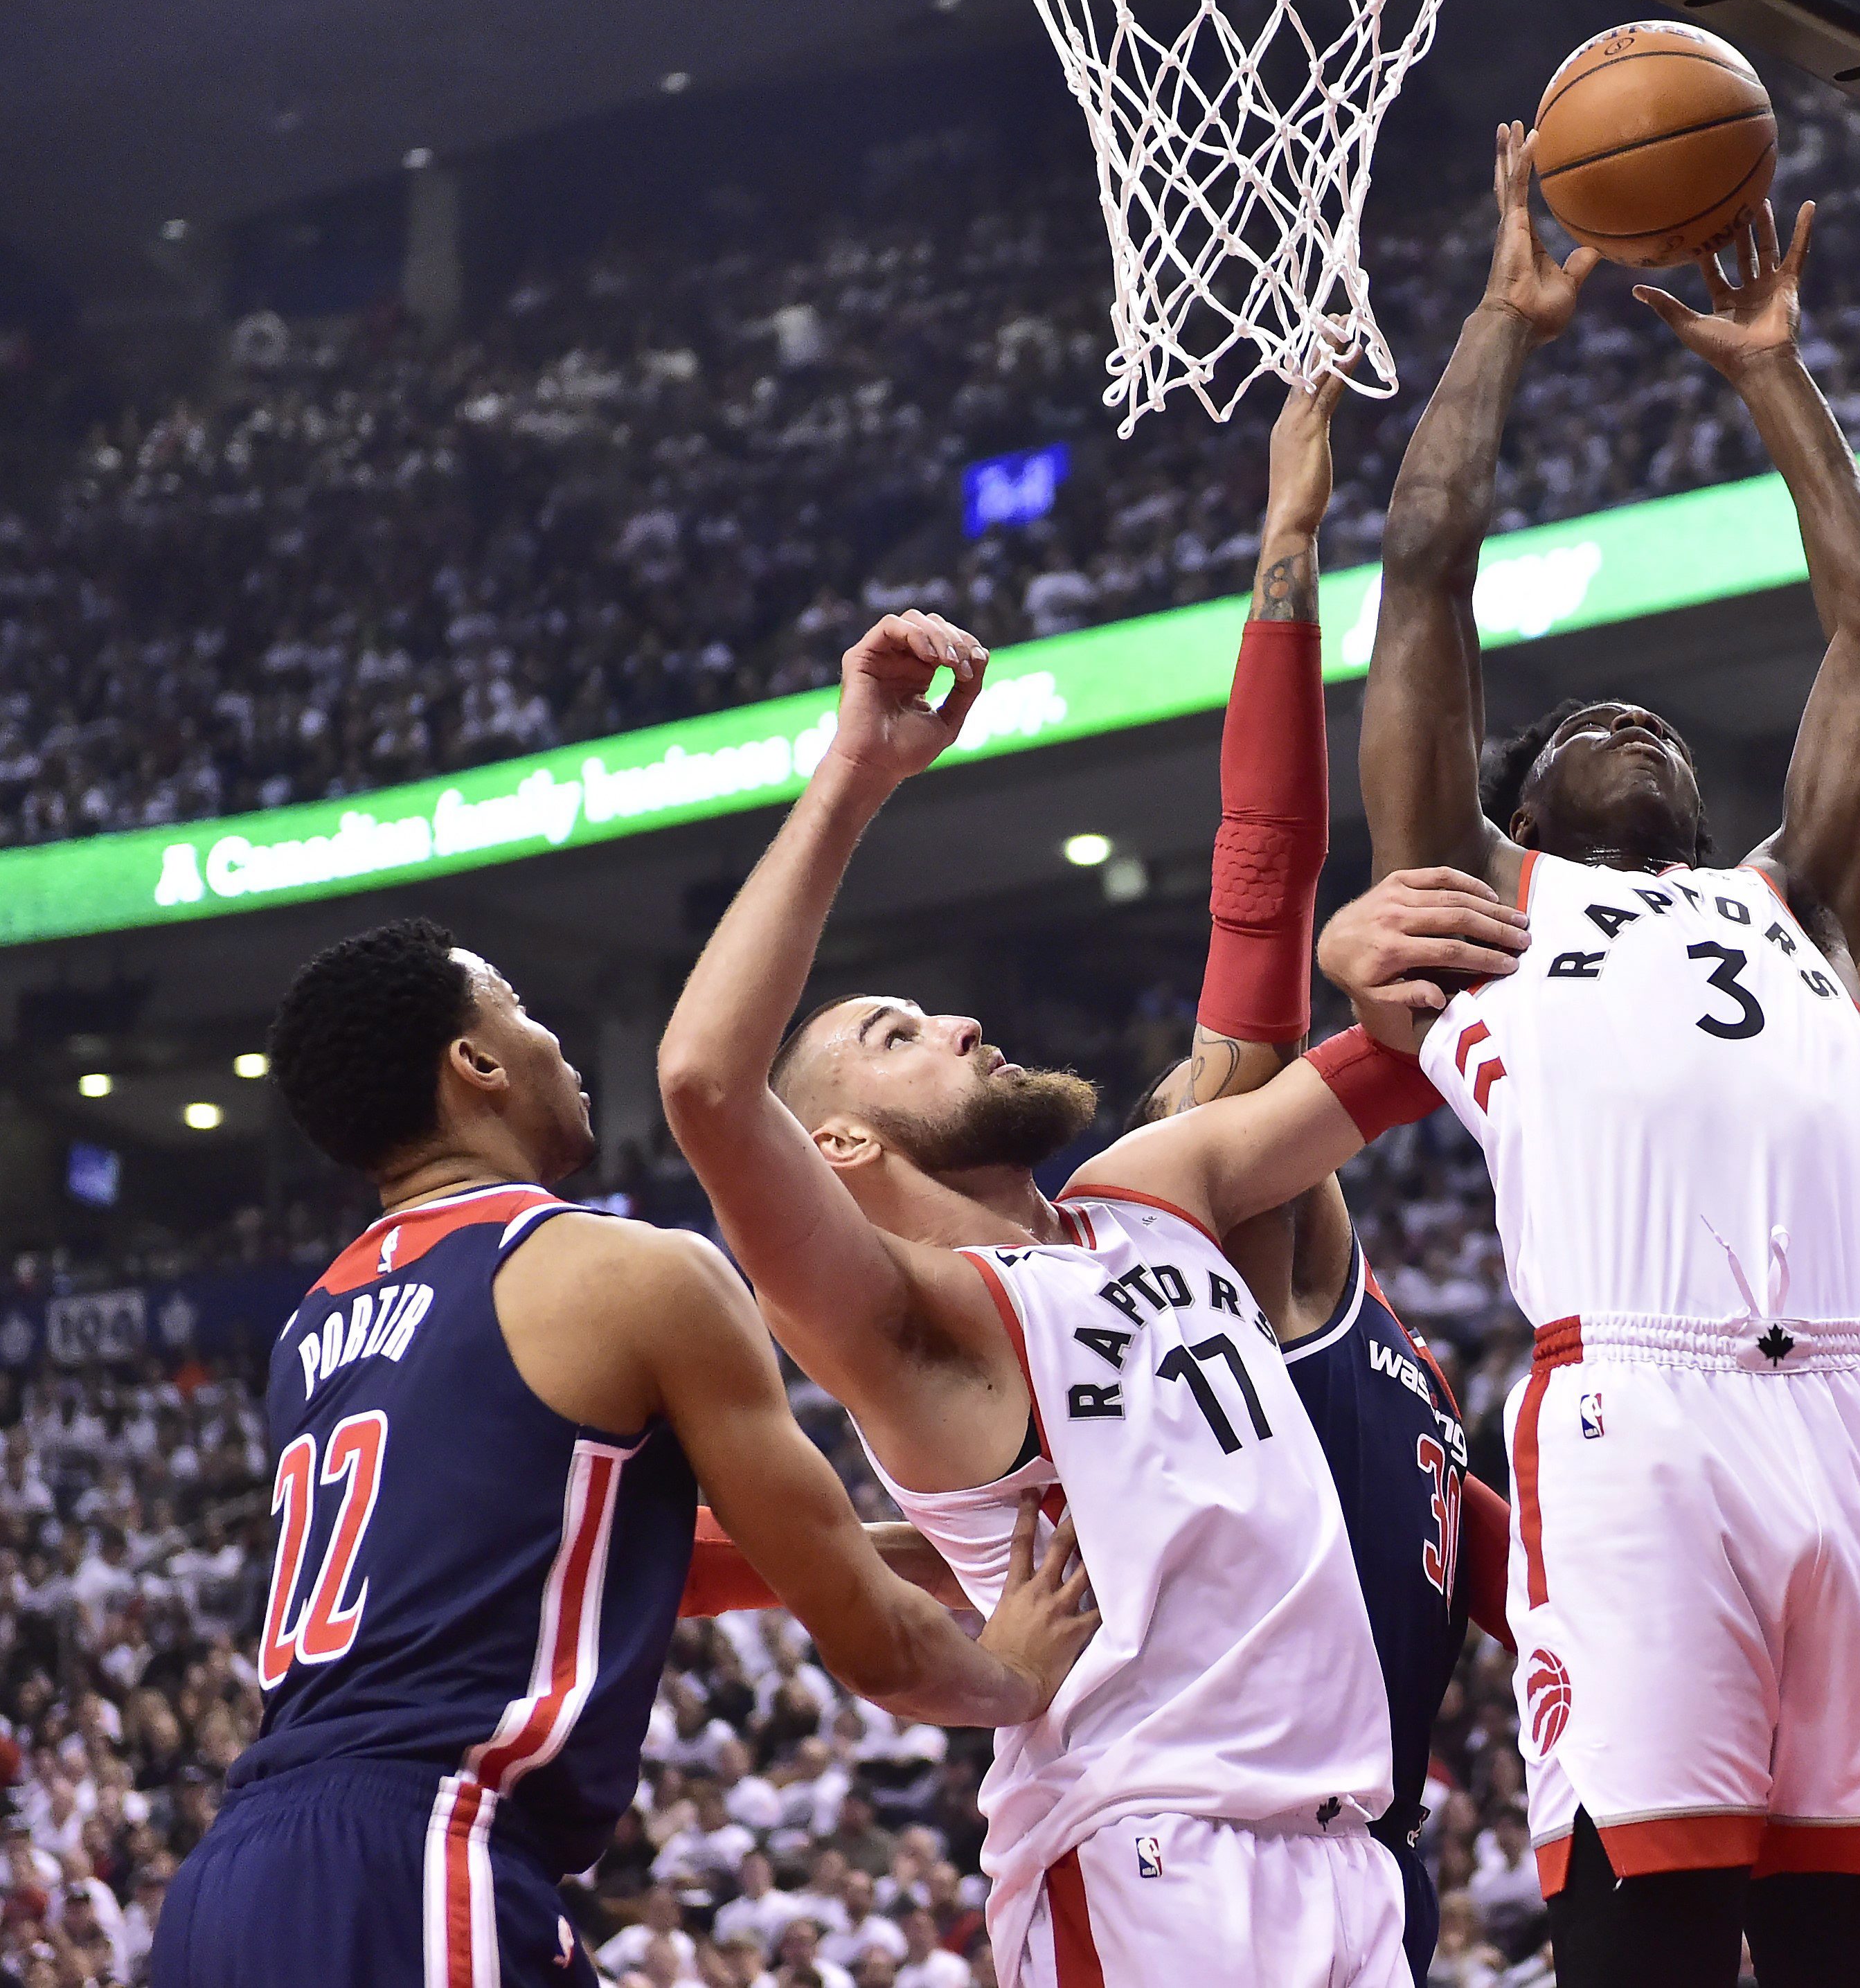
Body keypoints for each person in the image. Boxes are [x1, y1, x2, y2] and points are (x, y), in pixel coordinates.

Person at [658, 610, 1526, 1985]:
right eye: (898, 1036)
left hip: (1349, 1854)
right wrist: (859, 770)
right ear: (839, 1150)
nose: (961, 1025)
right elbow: (707, 1084)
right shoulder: (923, 1324)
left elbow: (1392, 1049)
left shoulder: (1147, 1190)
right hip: (1150, 1855)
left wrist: (1379, 960)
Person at [1350, 121, 1860, 1988]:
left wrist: (1774, 375)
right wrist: (1502, 325)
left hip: (1848, 1407)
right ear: (1516, 798)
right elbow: (1426, 576)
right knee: (1661, 1929)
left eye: (1653, 720)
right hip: (1633, 1409)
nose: (1626, 714)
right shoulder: (1473, 899)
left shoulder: (1793, 903)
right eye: (1583, 721)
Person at [154, 919, 1098, 1987]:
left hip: (229, 1884)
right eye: (525, 1012)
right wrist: (1016, 1677)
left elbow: (566, 1553)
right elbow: (881, 1653)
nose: (558, 1044)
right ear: (479, 1064)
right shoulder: (631, 1269)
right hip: (423, 1860)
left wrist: (909, 1551)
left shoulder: (309, 1328)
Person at [1115, 371, 1520, 1982]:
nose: (1227, 1088)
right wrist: (1285, 549)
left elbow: (1486, 1563)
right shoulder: (1231, 1244)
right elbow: (1261, 896)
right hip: (1221, 1858)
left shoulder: (1384, 1347)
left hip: (1363, 1852)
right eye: (1211, 1093)